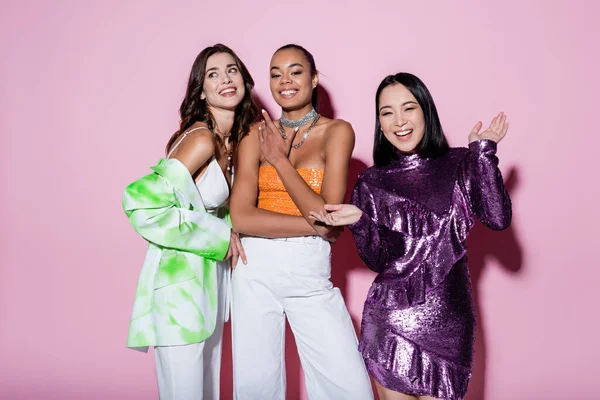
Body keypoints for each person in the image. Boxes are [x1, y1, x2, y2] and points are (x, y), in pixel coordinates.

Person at [310, 72, 512, 400]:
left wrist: (484, 154)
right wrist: (360, 221)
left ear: (426, 111)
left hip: (449, 324)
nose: (399, 121)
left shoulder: (461, 162)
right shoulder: (371, 182)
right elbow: (378, 260)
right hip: (389, 322)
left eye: (409, 108)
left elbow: (497, 218)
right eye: (387, 113)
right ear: (379, 122)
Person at [229, 44, 373, 400]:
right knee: (255, 385)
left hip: (308, 270)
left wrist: (279, 160)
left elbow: (329, 211)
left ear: (314, 79)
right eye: (275, 74)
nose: (284, 81)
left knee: (348, 385)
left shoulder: (337, 132)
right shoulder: (252, 134)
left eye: (295, 71)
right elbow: (242, 214)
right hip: (254, 268)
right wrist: (317, 225)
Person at [122, 43, 258, 400]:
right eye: (212, 74)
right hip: (179, 286)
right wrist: (219, 233)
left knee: (206, 391)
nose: (226, 79)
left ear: (244, 78)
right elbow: (141, 204)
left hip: (210, 284)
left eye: (232, 70)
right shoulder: (201, 139)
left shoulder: (234, 141)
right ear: (201, 90)